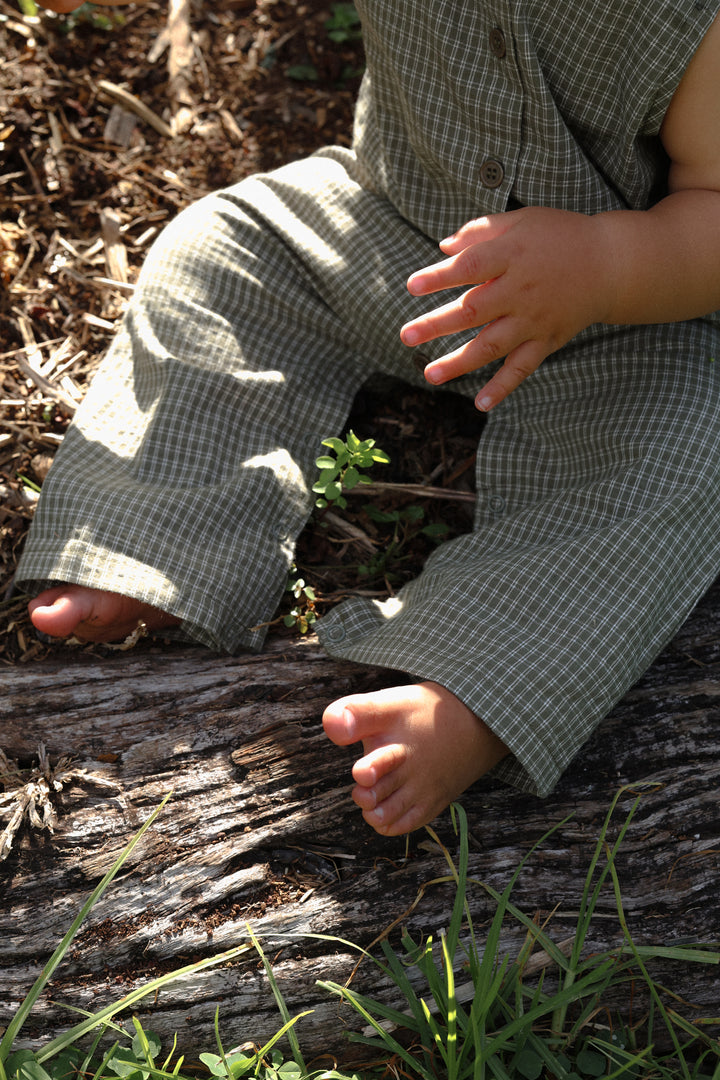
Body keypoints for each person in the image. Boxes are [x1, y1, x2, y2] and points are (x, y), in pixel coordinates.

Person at [18, 0, 720, 837]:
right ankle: (154, 533)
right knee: (224, 252)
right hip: (403, 226)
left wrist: (607, 264)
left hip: (634, 314)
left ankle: (474, 680)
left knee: (688, 452)